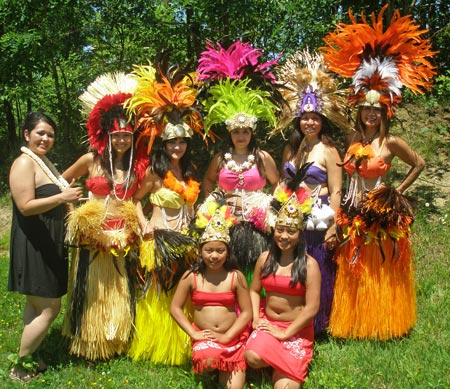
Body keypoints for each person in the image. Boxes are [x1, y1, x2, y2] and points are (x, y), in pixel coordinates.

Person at [321, 5, 436, 339]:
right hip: (352, 208)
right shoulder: (353, 138)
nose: (370, 114)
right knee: (354, 265)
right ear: (360, 112)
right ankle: (355, 322)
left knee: (379, 265)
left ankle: (383, 322)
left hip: (380, 209)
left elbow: (419, 163)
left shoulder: (391, 142)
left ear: (385, 112)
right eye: (366, 109)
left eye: (376, 110)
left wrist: (397, 191)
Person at [62, 72, 148, 360]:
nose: (122, 140)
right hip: (93, 233)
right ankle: (89, 340)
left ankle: (115, 338)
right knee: (93, 288)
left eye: (126, 135)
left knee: (119, 286)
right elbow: (63, 182)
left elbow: (137, 199)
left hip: (122, 233)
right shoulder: (91, 160)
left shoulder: (137, 167)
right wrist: (74, 214)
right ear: (106, 135)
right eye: (117, 136)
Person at [126, 61, 204, 365]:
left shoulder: (190, 172)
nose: (178, 146)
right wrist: (144, 224)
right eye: (172, 141)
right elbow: (134, 200)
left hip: (185, 239)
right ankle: (157, 344)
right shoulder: (155, 173)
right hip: (158, 238)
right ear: (164, 143)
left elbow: (192, 205)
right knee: (157, 292)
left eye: (182, 141)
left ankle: (181, 343)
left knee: (181, 292)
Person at [276, 50, 349, 334]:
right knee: (295, 269)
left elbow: (336, 190)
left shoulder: (329, 150)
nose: (309, 123)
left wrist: (333, 225)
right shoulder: (292, 149)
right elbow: (283, 184)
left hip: (318, 218)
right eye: (305, 118)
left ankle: (318, 324)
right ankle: (292, 316)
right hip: (293, 217)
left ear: (322, 121)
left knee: (318, 267)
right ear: (298, 120)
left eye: (315, 118)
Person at [8, 112, 82, 382]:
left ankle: (32, 354)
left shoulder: (42, 163)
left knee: (36, 305)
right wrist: (62, 196)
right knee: (50, 308)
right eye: (40, 133)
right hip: (35, 244)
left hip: (48, 242)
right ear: (27, 134)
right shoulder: (24, 163)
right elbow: (25, 206)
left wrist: (63, 198)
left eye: (50, 134)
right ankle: (19, 365)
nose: (46, 138)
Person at [201, 78, 280, 282]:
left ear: (252, 133)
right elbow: (208, 181)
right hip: (228, 224)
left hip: (256, 226)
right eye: (236, 132)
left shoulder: (263, 158)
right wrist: (214, 203)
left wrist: (269, 206)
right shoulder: (220, 159)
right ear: (230, 134)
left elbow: (277, 183)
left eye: (245, 131)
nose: (241, 136)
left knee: (256, 269)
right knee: (229, 270)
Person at [244, 188, 321, 389]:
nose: (284, 236)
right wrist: (256, 318)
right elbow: (253, 291)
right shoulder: (264, 259)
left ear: (300, 233)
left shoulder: (310, 265)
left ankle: (281, 363)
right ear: (273, 229)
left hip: (295, 330)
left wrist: (285, 334)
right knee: (251, 357)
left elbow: (311, 308)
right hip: (267, 324)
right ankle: (272, 358)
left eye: (291, 231)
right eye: (280, 230)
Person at [170, 208, 252, 389]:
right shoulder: (191, 276)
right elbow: (175, 308)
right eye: (209, 250)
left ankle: (225, 368)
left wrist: (227, 336)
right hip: (205, 337)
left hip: (232, 338)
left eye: (220, 251)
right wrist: (193, 333)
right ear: (200, 251)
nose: (214, 256)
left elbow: (247, 313)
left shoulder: (235, 276)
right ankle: (212, 368)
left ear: (227, 251)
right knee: (208, 361)